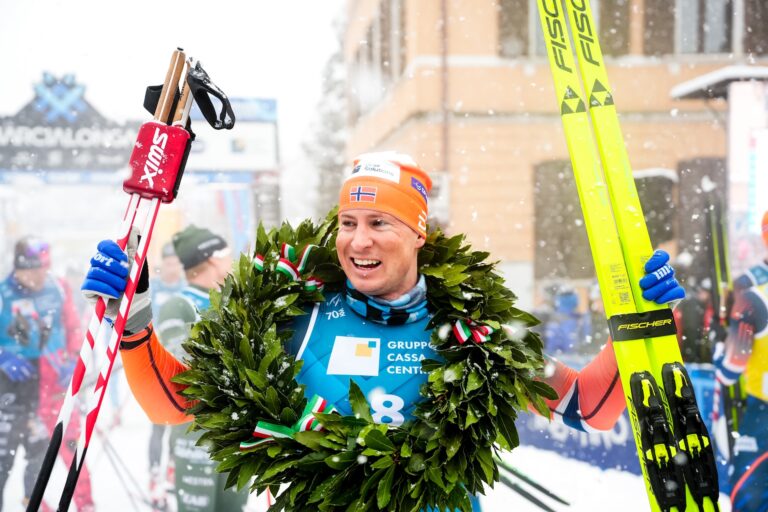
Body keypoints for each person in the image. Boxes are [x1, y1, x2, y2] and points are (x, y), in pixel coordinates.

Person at [82, 152, 685, 510]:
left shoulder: (475, 329)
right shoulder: (296, 316)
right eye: (348, 222)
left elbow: (587, 407)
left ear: (419, 233)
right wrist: (134, 319)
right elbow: (176, 403)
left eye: (379, 222)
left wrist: (646, 322)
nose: (358, 240)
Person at [0, 237, 94, 511]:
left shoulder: (58, 288)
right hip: (15, 389)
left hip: (55, 387)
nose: (39, 278)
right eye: (33, 272)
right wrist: (3, 356)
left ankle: (80, 504)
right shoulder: (4, 294)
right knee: (11, 458)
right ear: (19, 269)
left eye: (43, 270)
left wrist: (74, 360)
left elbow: (74, 328)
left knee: (63, 449)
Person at [712, 210, 768, 511]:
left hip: (763, 419)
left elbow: (730, 370)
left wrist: (719, 350)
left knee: (750, 499)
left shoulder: (754, 298)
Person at [146, 242, 186, 510]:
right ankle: (154, 474)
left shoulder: (185, 289)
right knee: (158, 423)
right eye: (169, 263)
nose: (173, 268)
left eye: (176, 263)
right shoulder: (154, 289)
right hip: (155, 363)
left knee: (180, 420)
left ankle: (173, 467)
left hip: (179, 364)